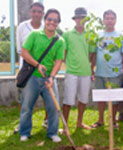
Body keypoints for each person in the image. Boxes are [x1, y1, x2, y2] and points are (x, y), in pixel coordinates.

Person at [19, 8, 65, 142]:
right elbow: (24, 52)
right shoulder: (34, 35)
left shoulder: (60, 41)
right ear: (45, 21)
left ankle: (52, 133)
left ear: (58, 23)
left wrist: (51, 77)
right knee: (27, 106)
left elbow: (58, 61)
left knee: (53, 107)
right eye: (49, 19)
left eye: (55, 20)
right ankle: (25, 132)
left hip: (48, 79)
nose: (52, 22)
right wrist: (37, 65)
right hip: (32, 77)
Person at [91, 9, 123, 128]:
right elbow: (95, 54)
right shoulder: (98, 35)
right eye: (107, 18)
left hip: (115, 72)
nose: (109, 21)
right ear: (103, 21)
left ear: (115, 20)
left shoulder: (121, 36)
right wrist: (92, 68)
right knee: (100, 97)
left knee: (114, 99)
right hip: (100, 72)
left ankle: (112, 121)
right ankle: (101, 120)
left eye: (112, 18)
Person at [15, 2, 47, 133]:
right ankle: (23, 124)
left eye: (39, 12)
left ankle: (47, 121)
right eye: (34, 11)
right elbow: (20, 49)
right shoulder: (22, 27)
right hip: (27, 70)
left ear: (43, 13)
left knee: (47, 98)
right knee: (25, 100)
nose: (36, 14)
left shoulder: (47, 26)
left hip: (43, 69)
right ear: (30, 12)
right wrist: (34, 62)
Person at [62, 7, 95, 130]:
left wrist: (90, 67)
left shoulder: (90, 35)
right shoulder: (67, 35)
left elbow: (92, 54)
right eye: (78, 17)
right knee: (68, 100)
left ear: (86, 20)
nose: (80, 20)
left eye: (83, 17)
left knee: (83, 99)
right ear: (75, 19)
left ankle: (79, 123)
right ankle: (65, 126)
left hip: (85, 72)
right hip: (71, 72)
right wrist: (69, 64)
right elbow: (64, 53)